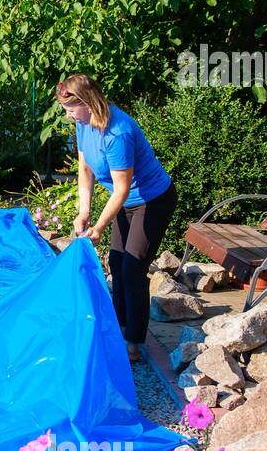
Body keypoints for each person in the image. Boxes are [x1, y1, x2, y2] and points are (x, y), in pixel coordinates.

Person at [57, 74, 177, 363]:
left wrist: (99, 226)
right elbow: (85, 169)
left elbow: (122, 189)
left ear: (88, 102)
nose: (68, 115)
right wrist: (84, 210)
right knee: (116, 262)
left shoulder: (117, 132)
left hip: (151, 201)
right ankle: (119, 328)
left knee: (133, 268)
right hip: (123, 202)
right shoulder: (83, 123)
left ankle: (133, 343)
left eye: (71, 109)